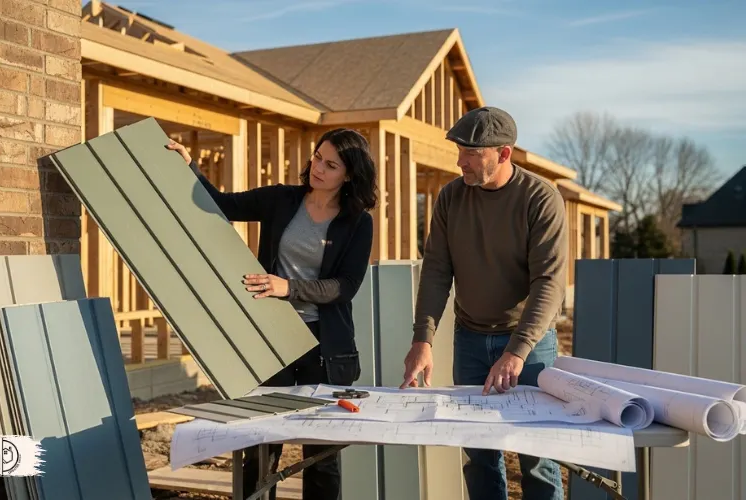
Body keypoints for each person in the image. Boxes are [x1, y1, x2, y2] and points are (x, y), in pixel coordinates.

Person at [167, 127, 377, 500]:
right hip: (271, 339)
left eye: (330, 165)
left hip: (323, 349)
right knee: (260, 446)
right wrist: (190, 166)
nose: (318, 168)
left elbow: (346, 286)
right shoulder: (281, 199)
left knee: (320, 456)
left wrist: (288, 287)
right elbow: (223, 204)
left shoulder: (357, 222)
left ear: (349, 174)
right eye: (316, 157)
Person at [400, 106, 568, 500]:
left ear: (504, 154)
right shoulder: (451, 197)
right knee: (478, 455)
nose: (461, 162)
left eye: (471, 154)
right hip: (471, 340)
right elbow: (437, 271)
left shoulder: (541, 199)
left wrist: (518, 350)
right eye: (460, 151)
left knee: (538, 458)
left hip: (530, 344)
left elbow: (549, 283)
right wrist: (422, 340)